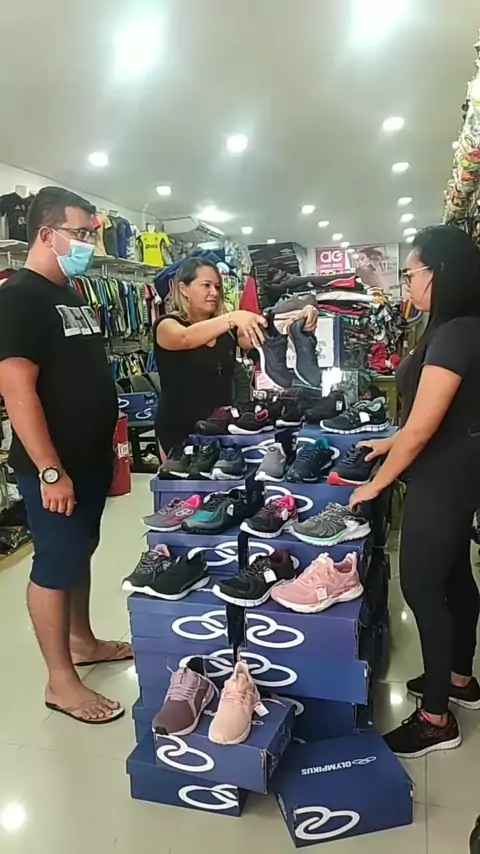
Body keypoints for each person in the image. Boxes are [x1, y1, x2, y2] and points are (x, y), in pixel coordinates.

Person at [0, 186, 131, 725]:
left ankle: (83, 641)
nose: (88, 245)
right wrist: (51, 470)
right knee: (55, 564)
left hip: (89, 459)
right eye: (80, 234)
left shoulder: (71, 294)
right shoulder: (18, 298)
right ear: (46, 233)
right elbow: (17, 389)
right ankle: (60, 680)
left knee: (80, 550)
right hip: (54, 466)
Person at [349, 224, 480, 758]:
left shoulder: (454, 334)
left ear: (439, 272)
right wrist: (390, 443)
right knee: (455, 577)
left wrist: (376, 484)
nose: (407, 283)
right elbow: (441, 417)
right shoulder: (459, 326)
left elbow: (424, 428)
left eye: (412, 273)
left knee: (423, 588)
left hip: (442, 478)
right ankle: (459, 680)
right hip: (459, 472)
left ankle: (435, 721)